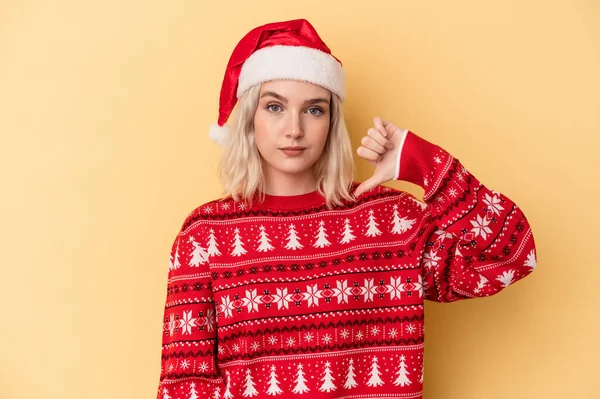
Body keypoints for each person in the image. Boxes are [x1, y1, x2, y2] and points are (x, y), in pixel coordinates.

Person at [155, 18, 537, 399]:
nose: (294, 129)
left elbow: (510, 258)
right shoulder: (205, 235)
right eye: (274, 107)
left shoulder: (391, 221)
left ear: (332, 121)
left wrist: (420, 162)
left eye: (314, 110)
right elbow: (184, 386)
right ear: (250, 119)